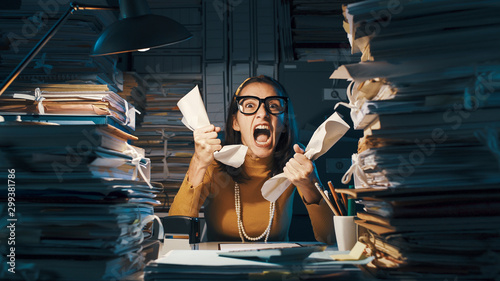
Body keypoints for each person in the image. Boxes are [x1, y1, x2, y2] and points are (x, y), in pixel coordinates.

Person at [169, 75, 334, 243]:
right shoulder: (213, 164)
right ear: (235, 123)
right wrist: (198, 162)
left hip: (277, 267)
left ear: (284, 124)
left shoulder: (295, 166)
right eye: (249, 105)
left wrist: (311, 184)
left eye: (273, 106)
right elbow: (175, 236)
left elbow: (330, 239)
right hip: (221, 267)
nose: (262, 114)